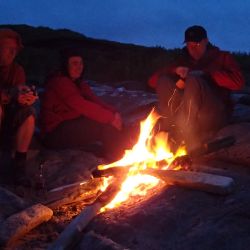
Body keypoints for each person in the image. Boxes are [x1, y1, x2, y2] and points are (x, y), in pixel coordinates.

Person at [148, 25, 244, 152]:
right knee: (164, 81)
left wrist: (206, 74)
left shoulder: (222, 57)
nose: (193, 49)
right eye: (189, 45)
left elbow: (238, 82)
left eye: (197, 44)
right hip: (184, 112)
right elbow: (152, 81)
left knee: (194, 79)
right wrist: (174, 71)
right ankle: (169, 130)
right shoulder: (182, 60)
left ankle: (189, 138)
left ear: (206, 41)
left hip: (213, 113)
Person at [40, 48, 131, 161]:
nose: (79, 67)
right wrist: (110, 118)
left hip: (71, 124)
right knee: (103, 126)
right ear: (65, 65)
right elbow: (81, 105)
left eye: (81, 63)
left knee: (118, 123)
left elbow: (95, 101)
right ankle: (118, 159)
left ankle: (130, 151)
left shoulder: (80, 84)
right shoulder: (59, 81)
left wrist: (115, 113)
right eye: (74, 63)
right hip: (54, 133)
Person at [0, 28, 38, 184]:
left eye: (15, 50)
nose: (12, 53)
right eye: (8, 49)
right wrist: (10, 94)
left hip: (7, 121)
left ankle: (19, 166)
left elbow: (18, 92)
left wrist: (25, 98)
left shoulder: (17, 70)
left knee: (28, 113)